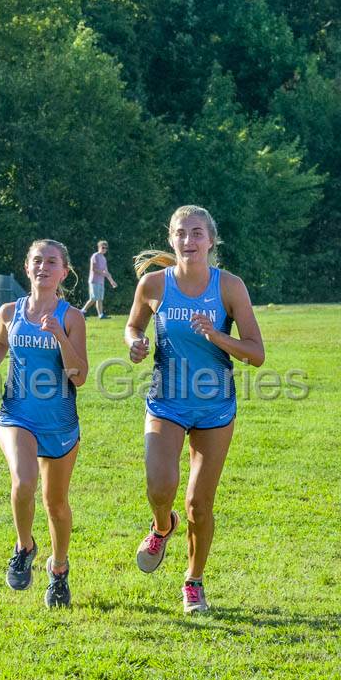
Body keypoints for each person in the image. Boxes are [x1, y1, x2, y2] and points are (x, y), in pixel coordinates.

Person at [125, 205, 265, 613]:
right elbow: (134, 326)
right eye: (181, 233)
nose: (189, 241)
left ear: (211, 240)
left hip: (215, 408)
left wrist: (218, 336)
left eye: (197, 233)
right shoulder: (153, 285)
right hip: (166, 402)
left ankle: (194, 580)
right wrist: (133, 342)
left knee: (199, 505)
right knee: (159, 486)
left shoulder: (230, 287)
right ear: (171, 239)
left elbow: (256, 354)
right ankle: (161, 527)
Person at [0, 239, 88, 607]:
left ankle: (59, 571)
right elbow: (0, 341)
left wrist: (57, 335)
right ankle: (24, 547)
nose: (43, 267)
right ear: (27, 267)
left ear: (64, 272)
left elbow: (79, 375)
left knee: (56, 504)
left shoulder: (72, 318)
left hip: (59, 422)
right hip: (16, 414)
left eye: (52, 262)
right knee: (23, 482)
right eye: (37, 261)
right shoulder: (10, 311)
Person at [80, 240, 118, 319]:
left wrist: (112, 281)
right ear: (99, 247)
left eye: (106, 248)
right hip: (94, 280)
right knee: (93, 298)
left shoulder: (104, 258)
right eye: (103, 247)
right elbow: (93, 269)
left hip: (101, 282)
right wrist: (103, 273)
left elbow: (106, 271)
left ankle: (101, 315)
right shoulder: (95, 256)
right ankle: (82, 312)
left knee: (100, 299)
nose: (104, 249)